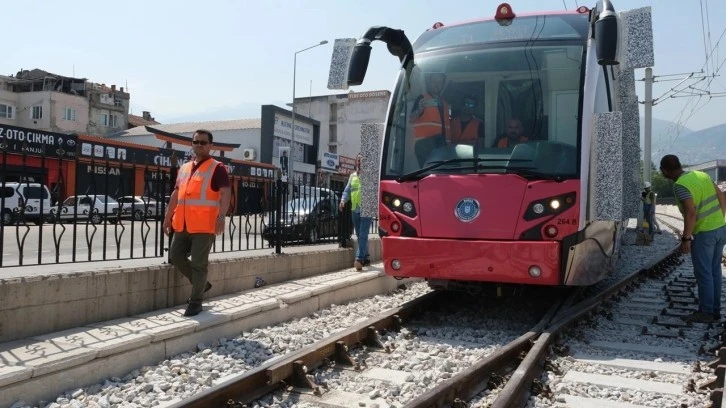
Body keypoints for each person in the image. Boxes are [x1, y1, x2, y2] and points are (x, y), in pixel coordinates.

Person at [163, 129, 232, 317]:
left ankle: (195, 302)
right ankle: (202, 285)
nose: (199, 145)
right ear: (191, 144)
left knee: (199, 265)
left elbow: (226, 193)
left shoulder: (217, 168)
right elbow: (176, 194)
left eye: (203, 142)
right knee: (175, 256)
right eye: (196, 142)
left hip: (204, 226)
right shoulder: (184, 168)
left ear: (211, 146)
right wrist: (168, 217)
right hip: (182, 224)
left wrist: (221, 217)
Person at [660, 154, 726, 323]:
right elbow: (722, 197)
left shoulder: (680, 185)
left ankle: (706, 312)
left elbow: (690, 213)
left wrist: (686, 239)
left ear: (665, 171)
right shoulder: (702, 175)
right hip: (719, 228)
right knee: (715, 271)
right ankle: (715, 310)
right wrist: (719, 219)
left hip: (704, 234)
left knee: (704, 273)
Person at [410, 72, 450, 165]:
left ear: (443, 84)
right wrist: (419, 110)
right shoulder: (422, 98)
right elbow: (411, 119)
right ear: (429, 83)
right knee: (428, 173)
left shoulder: (445, 103)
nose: (437, 84)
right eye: (434, 81)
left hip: (443, 146)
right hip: (425, 146)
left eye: (440, 82)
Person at [339, 154, 371, 271]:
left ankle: (359, 259)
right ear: (356, 162)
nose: (360, 162)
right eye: (359, 160)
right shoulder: (352, 176)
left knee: (363, 234)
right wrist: (343, 200)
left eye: (362, 160)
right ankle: (366, 257)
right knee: (359, 235)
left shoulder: (369, 176)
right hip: (355, 209)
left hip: (366, 208)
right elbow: (347, 190)